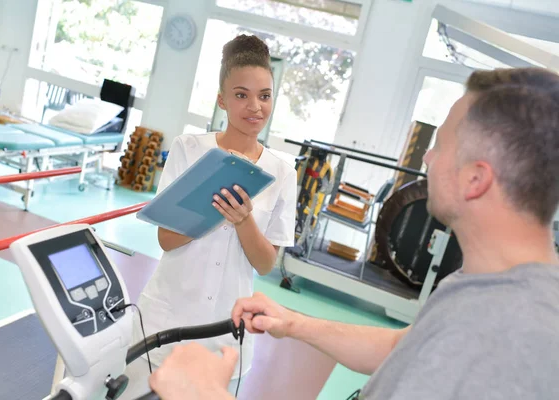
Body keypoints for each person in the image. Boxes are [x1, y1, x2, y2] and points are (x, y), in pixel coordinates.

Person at [146, 66, 559, 399]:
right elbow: (403, 348)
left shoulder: (513, 337)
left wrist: (202, 395)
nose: (428, 157)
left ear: (475, 179)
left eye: (441, 145)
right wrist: (295, 323)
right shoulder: (487, 286)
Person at [121, 34, 297, 398]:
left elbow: (265, 264)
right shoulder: (189, 149)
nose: (255, 107)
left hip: (226, 330)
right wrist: (214, 200)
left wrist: (244, 219)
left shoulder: (282, 172)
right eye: (241, 94)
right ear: (222, 99)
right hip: (164, 321)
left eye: (265, 96)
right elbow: (166, 240)